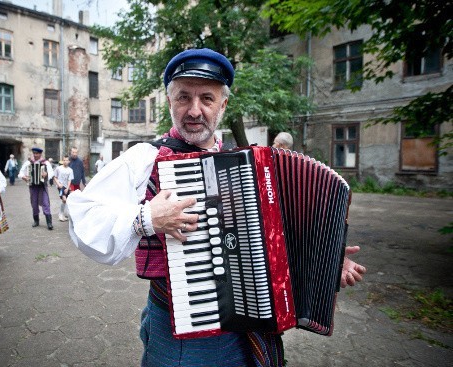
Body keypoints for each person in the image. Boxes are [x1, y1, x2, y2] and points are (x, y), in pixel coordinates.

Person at [67, 48, 367, 367]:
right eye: (184, 97)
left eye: (206, 99)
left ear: (222, 105)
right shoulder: (144, 158)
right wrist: (146, 218)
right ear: (170, 102)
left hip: (248, 331)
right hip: (181, 337)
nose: (194, 110)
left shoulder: (250, 166)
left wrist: (324, 258)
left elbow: (274, 237)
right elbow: (84, 219)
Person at [18, 147, 55, 230]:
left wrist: (46, 174)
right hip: (33, 186)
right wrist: (24, 177)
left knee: (45, 203)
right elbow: (20, 172)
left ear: (40, 154)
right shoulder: (29, 162)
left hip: (42, 186)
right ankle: (36, 220)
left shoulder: (45, 163)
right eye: (34, 153)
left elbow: (52, 173)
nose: (35, 155)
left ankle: (49, 223)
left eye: (37, 153)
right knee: (34, 203)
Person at [53, 155, 74, 222]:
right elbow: (55, 177)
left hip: (66, 187)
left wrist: (67, 188)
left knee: (65, 201)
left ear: (69, 161)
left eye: (67, 160)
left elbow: (69, 180)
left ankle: (63, 215)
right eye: (64, 160)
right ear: (63, 161)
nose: (65, 161)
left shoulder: (70, 170)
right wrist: (58, 184)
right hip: (60, 186)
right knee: (64, 199)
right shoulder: (58, 168)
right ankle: (60, 214)